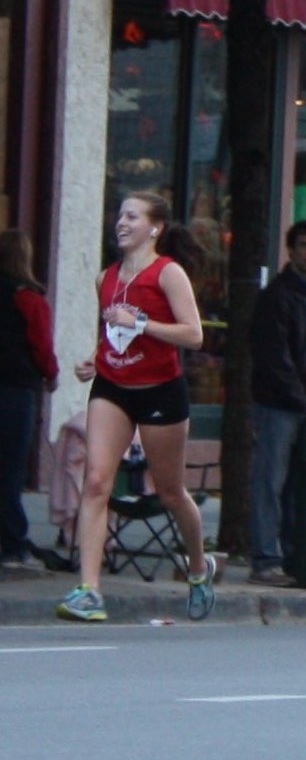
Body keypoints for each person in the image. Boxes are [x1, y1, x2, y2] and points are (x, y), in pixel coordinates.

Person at [60, 191, 217, 623]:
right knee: (96, 482)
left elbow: (194, 335)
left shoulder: (168, 274)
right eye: (119, 215)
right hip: (113, 386)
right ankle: (89, 591)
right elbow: (112, 332)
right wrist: (95, 357)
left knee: (169, 491)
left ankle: (199, 569)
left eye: (132, 216)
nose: (121, 223)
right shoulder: (105, 278)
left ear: (155, 227)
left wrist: (142, 323)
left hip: (160, 390)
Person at [243, 220, 306, 588]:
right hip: (278, 406)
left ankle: (294, 556)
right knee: (270, 481)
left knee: (297, 485)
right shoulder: (276, 296)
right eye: (304, 245)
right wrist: (303, 401)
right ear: (290, 249)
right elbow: (275, 358)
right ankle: (265, 559)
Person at [0, 228, 52, 572]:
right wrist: (51, 374)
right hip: (16, 389)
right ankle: (13, 542)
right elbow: (43, 347)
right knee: (11, 469)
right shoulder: (29, 298)